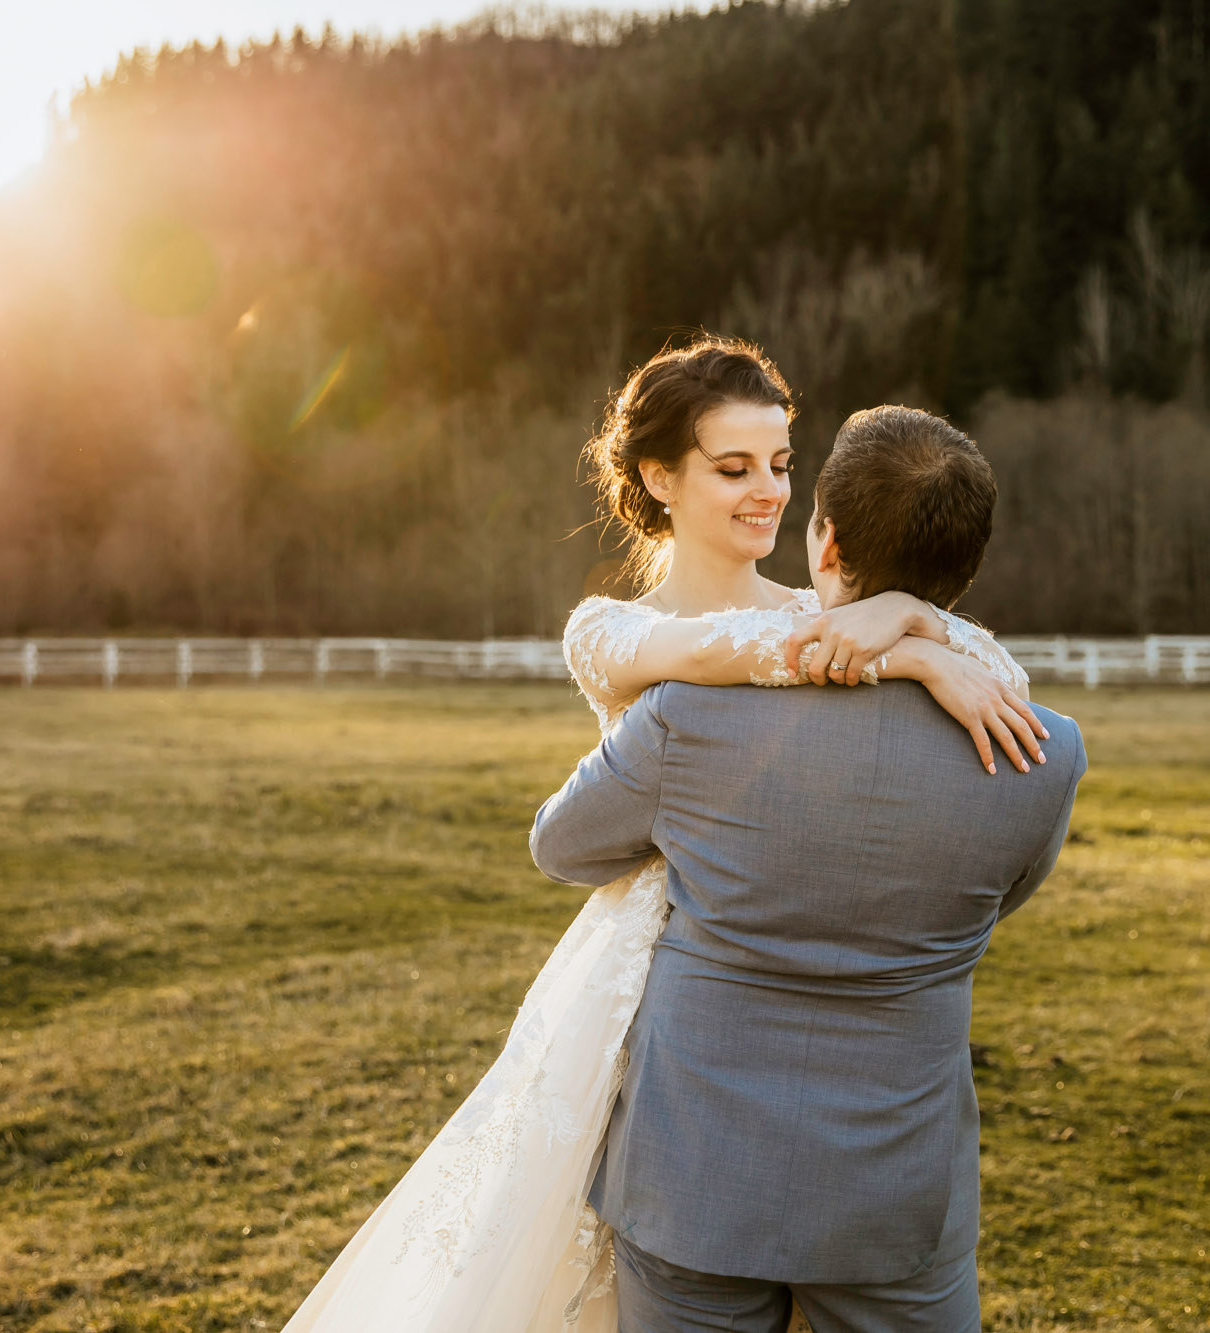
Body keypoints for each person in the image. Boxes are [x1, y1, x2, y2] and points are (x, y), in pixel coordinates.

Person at [278, 337, 1068, 1332]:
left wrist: (896, 620)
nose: (767, 493)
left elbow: (824, 644)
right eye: (733, 468)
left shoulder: (816, 612)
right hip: (652, 1004)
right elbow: (707, 657)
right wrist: (908, 637)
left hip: (728, 1035)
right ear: (658, 477)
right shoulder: (618, 632)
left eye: (781, 466)